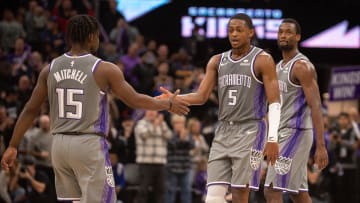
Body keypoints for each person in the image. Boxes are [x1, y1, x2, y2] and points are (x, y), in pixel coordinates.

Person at [0, 14, 189, 203]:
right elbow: (134, 99)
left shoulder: (50, 69)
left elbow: (30, 110)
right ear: (91, 37)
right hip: (88, 144)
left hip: (58, 145)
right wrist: (167, 103)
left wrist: (13, 145)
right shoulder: (103, 68)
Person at [160, 13, 281, 203]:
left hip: (250, 129)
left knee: (240, 194)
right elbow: (201, 96)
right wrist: (174, 99)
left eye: (239, 30)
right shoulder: (217, 61)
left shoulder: (263, 59)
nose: (234, 34)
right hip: (223, 130)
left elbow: (274, 101)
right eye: (230, 30)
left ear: (251, 32)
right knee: (213, 197)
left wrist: (273, 138)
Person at [263, 18, 328, 203]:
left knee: (272, 190)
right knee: (298, 194)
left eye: (288, 32)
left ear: (297, 37)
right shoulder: (277, 67)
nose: (283, 35)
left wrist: (321, 146)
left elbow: (316, 107)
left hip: (296, 134)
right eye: (280, 32)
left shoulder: (302, 66)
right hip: (283, 133)